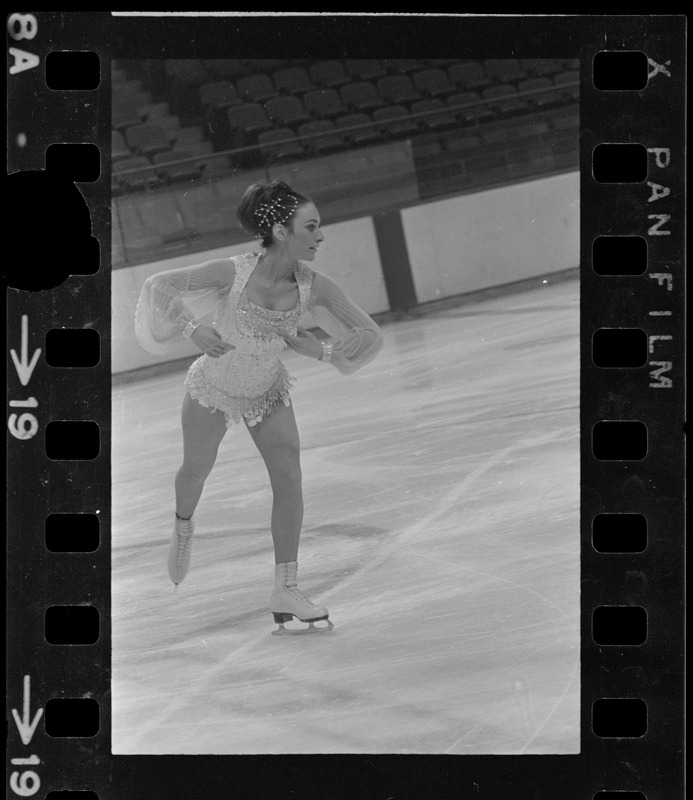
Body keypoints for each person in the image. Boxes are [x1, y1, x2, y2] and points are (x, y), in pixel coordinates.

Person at [134, 180, 383, 634]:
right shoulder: (232, 273)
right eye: (311, 226)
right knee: (195, 471)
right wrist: (192, 329)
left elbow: (369, 335)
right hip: (213, 387)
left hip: (268, 390)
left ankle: (285, 587)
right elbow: (158, 287)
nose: (320, 236)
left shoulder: (315, 287)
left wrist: (322, 352)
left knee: (289, 478)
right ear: (282, 231)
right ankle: (184, 526)